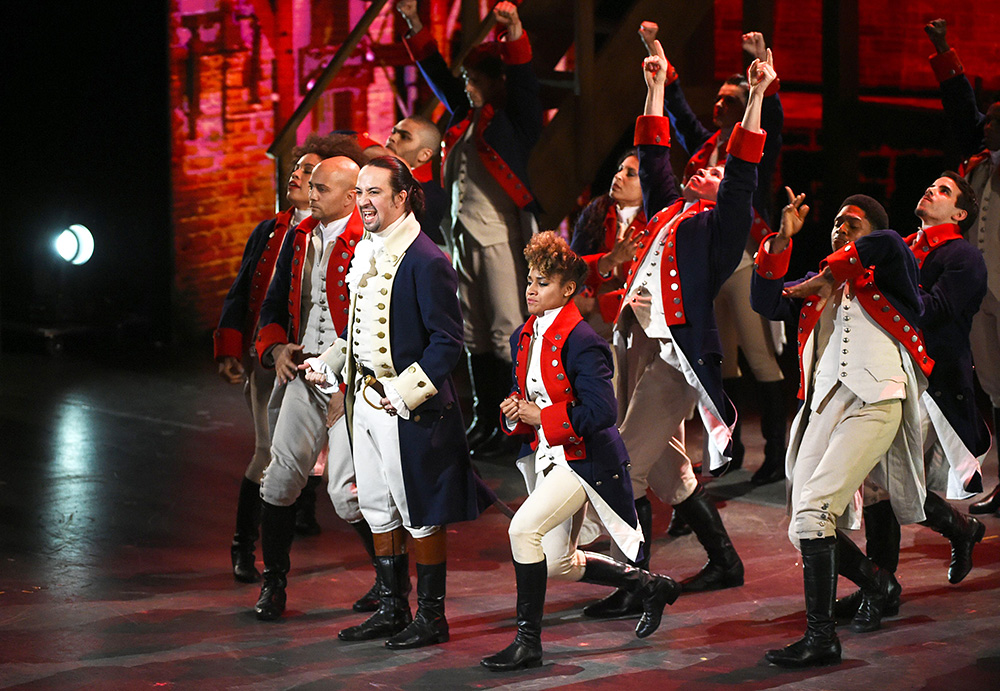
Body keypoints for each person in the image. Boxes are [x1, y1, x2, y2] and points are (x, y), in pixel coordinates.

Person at [582, 37, 773, 621]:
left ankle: (635, 582)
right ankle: (725, 560)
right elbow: (656, 152)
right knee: (666, 465)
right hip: (634, 344)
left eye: (715, 172)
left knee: (623, 464)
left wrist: (758, 95)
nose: (706, 171)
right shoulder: (670, 209)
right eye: (707, 168)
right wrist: (657, 82)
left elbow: (742, 170)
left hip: (674, 359)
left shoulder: (719, 230)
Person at [480, 232, 680, 672]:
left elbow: (603, 411)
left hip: (584, 459)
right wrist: (514, 412)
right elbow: (525, 396)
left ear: (568, 289)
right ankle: (651, 586)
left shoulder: (583, 338)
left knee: (522, 531)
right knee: (557, 562)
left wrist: (542, 416)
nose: (530, 289)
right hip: (549, 457)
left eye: (542, 282)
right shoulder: (524, 334)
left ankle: (527, 643)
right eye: (529, 280)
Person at [303, 156, 481, 650]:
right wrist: (332, 360)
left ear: (402, 197)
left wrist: (400, 394)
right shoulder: (368, 248)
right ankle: (391, 607)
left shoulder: (426, 259)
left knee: (419, 513)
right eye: (359, 193)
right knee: (378, 510)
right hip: (366, 407)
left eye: (374, 193)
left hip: (409, 412)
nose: (363, 202)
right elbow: (356, 332)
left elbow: (448, 343)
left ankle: (431, 617)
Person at [751, 188, 932, 667]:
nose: (840, 228)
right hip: (825, 407)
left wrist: (831, 272)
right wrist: (779, 241)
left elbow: (890, 243)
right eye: (835, 223)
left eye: (851, 224)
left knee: (813, 512)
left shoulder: (890, 272)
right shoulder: (817, 288)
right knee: (802, 525)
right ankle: (879, 582)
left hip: (877, 399)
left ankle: (822, 637)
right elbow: (765, 299)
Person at [835, 173, 989, 626]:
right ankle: (893, 579)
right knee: (885, 482)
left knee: (885, 480)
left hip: (932, 387)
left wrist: (881, 278)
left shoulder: (963, 256)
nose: (930, 190)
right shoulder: (902, 244)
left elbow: (931, 312)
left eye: (944, 191)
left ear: (960, 214)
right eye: (931, 185)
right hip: (892, 378)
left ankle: (882, 588)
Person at [640, 22, 787, 485]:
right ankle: (732, 445)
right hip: (705, 268)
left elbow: (754, 153)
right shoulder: (708, 147)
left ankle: (776, 452)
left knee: (760, 357)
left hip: (740, 258)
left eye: (730, 99)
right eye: (719, 97)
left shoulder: (746, 157)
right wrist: (661, 80)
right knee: (724, 358)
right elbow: (664, 138)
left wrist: (763, 85)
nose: (719, 103)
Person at [397, 0, 543, 457]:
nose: (468, 87)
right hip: (461, 238)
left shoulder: (514, 122)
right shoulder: (463, 118)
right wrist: (416, 26)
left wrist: (514, 30)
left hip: (500, 237)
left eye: (476, 80)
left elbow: (524, 83)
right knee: (475, 331)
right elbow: (438, 74)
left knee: (505, 331)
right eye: (467, 81)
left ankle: (513, 424)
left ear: (495, 83)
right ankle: (486, 416)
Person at [213, 134, 357, 584]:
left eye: (312, 174)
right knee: (270, 458)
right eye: (299, 172)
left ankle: (389, 588)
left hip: (339, 370)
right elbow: (253, 295)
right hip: (279, 361)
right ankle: (249, 551)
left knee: (346, 484)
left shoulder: (359, 237)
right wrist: (256, 347)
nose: (300, 179)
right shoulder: (278, 233)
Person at [251, 155, 373, 621]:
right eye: (310, 185)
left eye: (321, 187)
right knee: (279, 478)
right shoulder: (299, 237)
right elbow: (274, 302)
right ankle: (274, 585)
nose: (310, 192)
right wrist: (276, 347)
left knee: (347, 494)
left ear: (349, 196)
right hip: (303, 373)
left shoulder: (368, 241)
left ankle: (392, 585)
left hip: (350, 382)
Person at [925, 19, 1000, 516]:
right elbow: (962, 109)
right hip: (980, 295)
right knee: (992, 389)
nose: (988, 120)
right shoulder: (977, 161)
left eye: (996, 117)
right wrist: (945, 51)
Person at [571, 148, 647, 345]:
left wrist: (595, 304)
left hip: (639, 318)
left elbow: (650, 291)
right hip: (597, 316)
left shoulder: (656, 221)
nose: (618, 176)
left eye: (630, 174)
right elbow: (572, 268)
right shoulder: (597, 211)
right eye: (620, 169)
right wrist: (610, 261)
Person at [384, 115, 447, 247]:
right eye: (393, 132)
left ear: (424, 155)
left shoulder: (432, 196)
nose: (392, 138)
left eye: (405, 137)